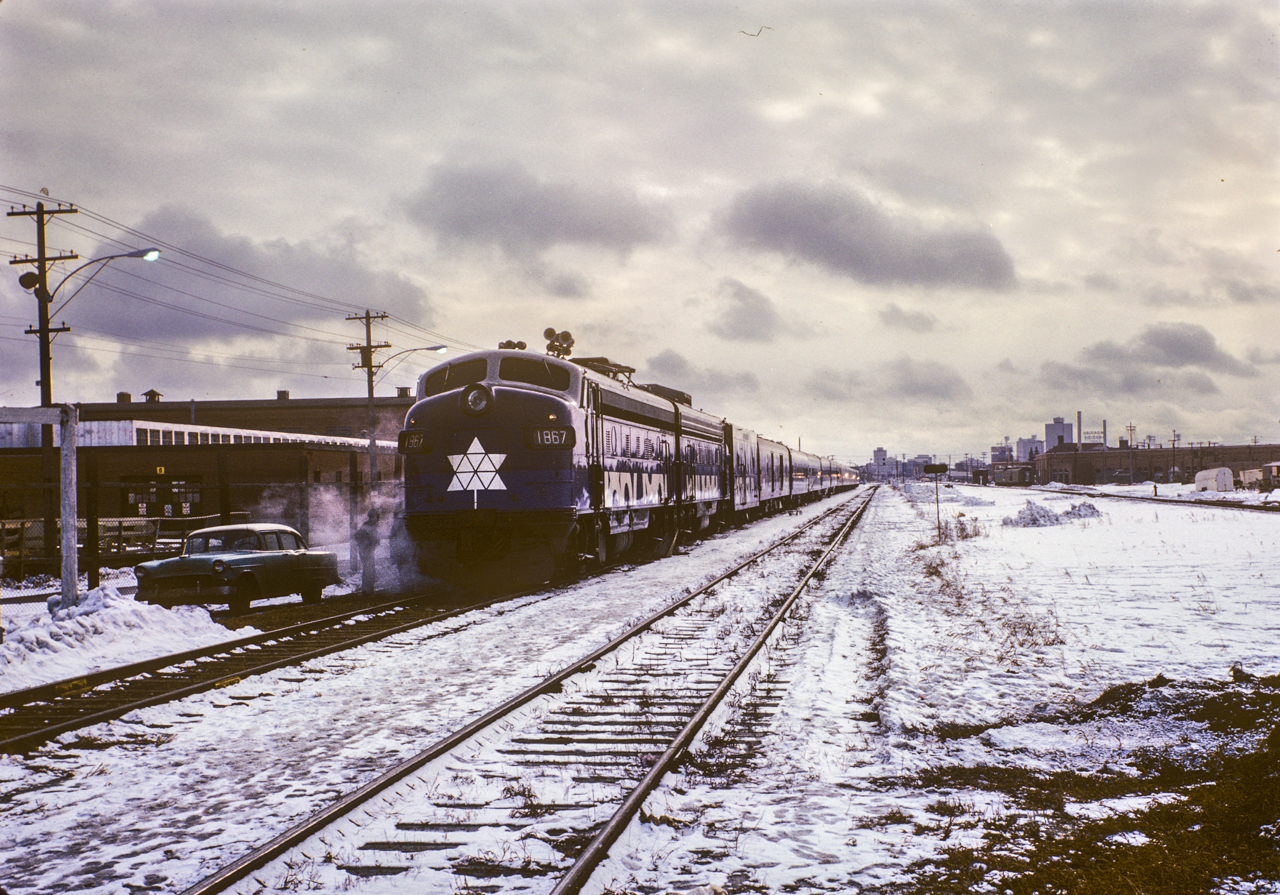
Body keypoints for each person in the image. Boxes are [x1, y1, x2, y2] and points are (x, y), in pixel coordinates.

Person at [354, 508, 380, 594]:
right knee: (368, 569)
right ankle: (367, 589)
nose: (376, 519)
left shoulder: (370, 525)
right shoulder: (367, 526)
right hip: (366, 551)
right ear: (372, 517)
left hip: (368, 550)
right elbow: (359, 537)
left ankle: (368, 589)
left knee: (369, 569)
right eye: (376, 517)